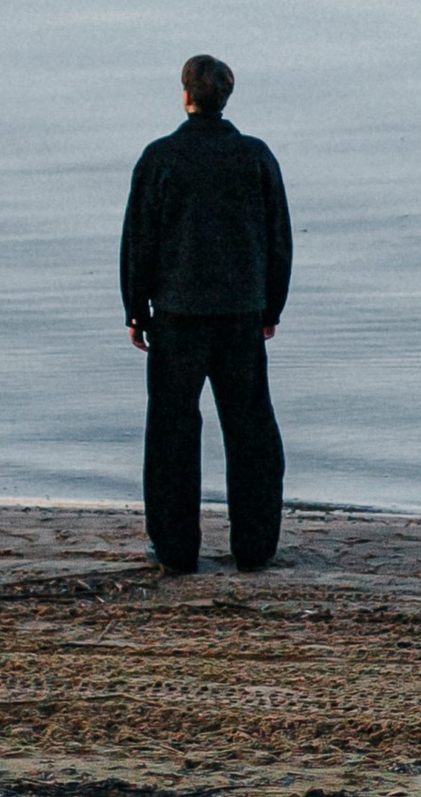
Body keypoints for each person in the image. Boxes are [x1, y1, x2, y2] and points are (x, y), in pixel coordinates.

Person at [120, 54, 292, 577]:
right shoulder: (254, 156)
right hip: (241, 314)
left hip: (176, 313)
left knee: (172, 432)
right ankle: (255, 547)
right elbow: (278, 238)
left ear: (186, 95)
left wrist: (135, 308)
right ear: (226, 97)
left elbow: (139, 240)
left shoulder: (161, 157)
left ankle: (175, 550)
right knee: (251, 431)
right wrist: (272, 307)